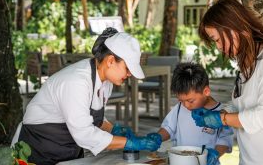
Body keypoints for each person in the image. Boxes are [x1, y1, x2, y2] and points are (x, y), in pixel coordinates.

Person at [17, 28, 161, 165]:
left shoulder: (106, 82)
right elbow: (84, 133)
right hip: (39, 148)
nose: (129, 74)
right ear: (110, 61)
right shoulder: (76, 81)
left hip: (66, 150)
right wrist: (130, 142)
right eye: (127, 68)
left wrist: (114, 129)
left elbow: (90, 116)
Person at [191, 0, 263, 165]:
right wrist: (218, 113)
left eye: (218, 39)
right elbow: (241, 105)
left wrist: (222, 119)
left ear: (235, 28)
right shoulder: (248, 63)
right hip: (248, 159)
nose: (219, 47)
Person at [147, 62, 233, 165]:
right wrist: (158, 137)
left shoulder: (221, 114)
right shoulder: (179, 108)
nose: (186, 106)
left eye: (190, 101)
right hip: (179, 161)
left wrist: (215, 154)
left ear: (206, 91)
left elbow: (225, 140)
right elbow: (168, 128)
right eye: (181, 101)